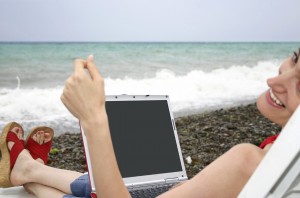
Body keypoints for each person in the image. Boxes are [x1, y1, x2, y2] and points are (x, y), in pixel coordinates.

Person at [0, 49, 299, 197]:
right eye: (295, 59)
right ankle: (31, 169)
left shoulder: (249, 161)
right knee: (122, 186)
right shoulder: (285, 159)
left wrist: (93, 118)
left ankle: (28, 171)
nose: (275, 79)